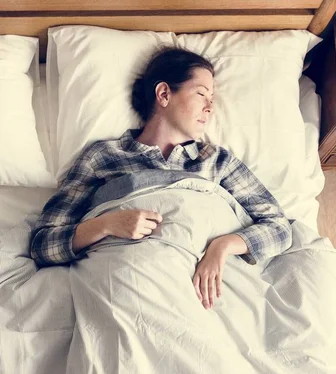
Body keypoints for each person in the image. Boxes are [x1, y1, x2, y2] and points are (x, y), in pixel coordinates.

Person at [30, 47, 292, 310]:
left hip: (206, 297)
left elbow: (279, 229)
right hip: (129, 288)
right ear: (164, 94)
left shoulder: (216, 161)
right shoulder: (104, 157)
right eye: (201, 94)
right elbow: (43, 244)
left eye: (212, 98)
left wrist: (222, 246)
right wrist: (106, 224)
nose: (210, 107)